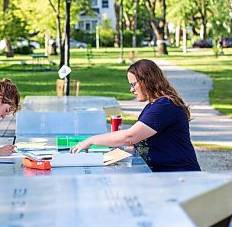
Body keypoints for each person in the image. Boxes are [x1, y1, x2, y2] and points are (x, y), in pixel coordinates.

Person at [70, 59, 200, 172]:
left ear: (147, 81)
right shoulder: (153, 105)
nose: (131, 90)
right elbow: (137, 144)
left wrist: (91, 140)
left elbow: (130, 137)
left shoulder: (164, 106)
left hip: (181, 175)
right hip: (166, 174)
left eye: (133, 84)